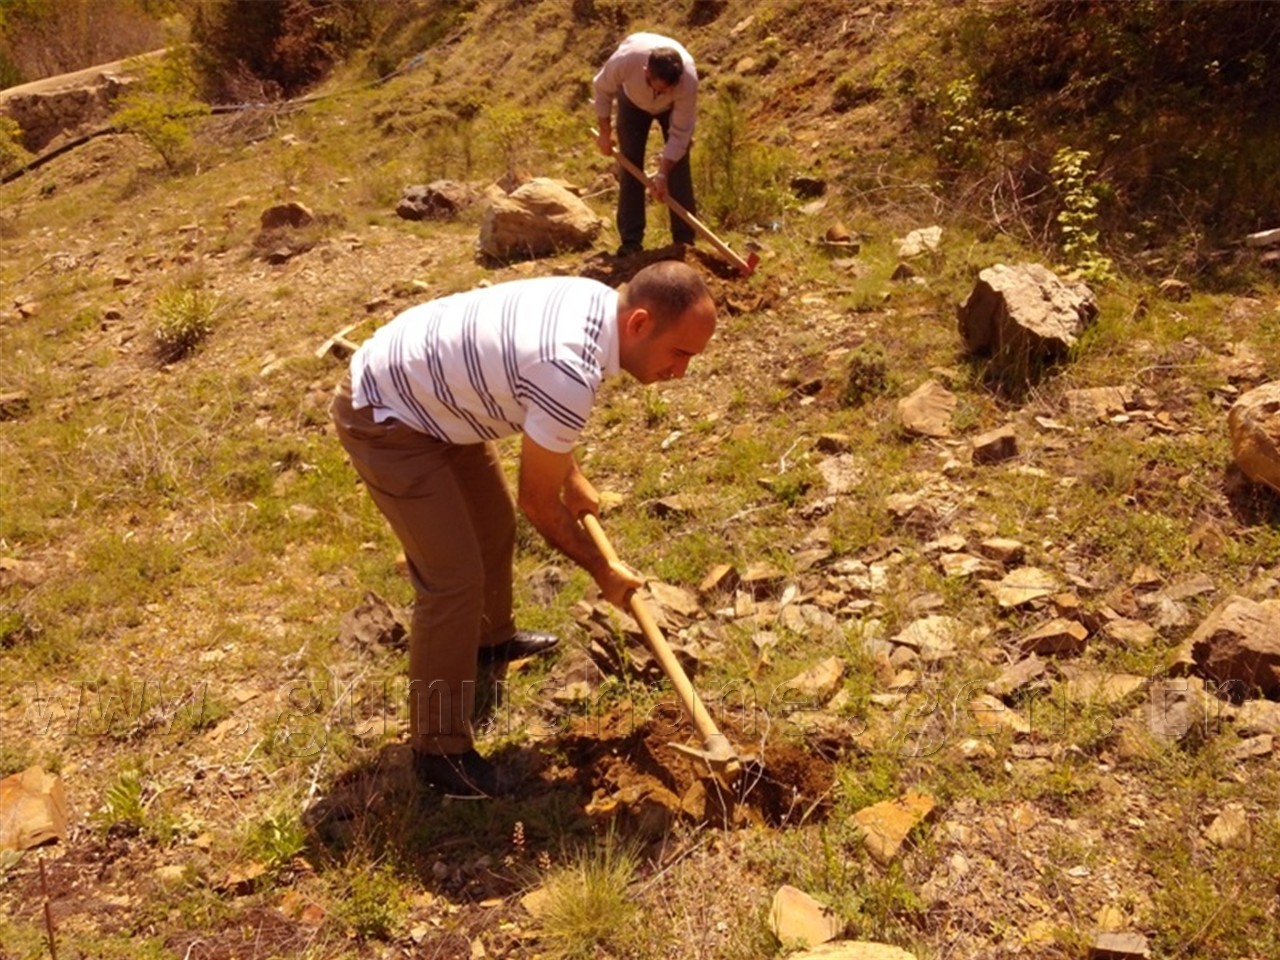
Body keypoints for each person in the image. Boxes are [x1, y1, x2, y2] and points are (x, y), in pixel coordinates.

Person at [330, 261, 717, 797]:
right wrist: (603, 570)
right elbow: (540, 503)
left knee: (492, 526)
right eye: (680, 355)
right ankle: (438, 752)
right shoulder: (569, 366)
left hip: (438, 396)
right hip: (386, 413)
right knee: (452, 578)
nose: (682, 374)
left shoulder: (594, 303)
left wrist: (572, 475)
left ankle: (487, 643)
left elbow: (544, 408)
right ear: (639, 324)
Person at [593, 32, 699, 256]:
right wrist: (605, 132)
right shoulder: (626, 60)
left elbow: (680, 134)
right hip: (632, 103)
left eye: (665, 90)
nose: (659, 94)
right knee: (630, 165)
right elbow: (602, 88)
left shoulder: (687, 81)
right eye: (656, 87)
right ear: (646, 72)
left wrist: (662, 174)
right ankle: (631, 241)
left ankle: (684, 241)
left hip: (671, 109)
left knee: (678, 166)